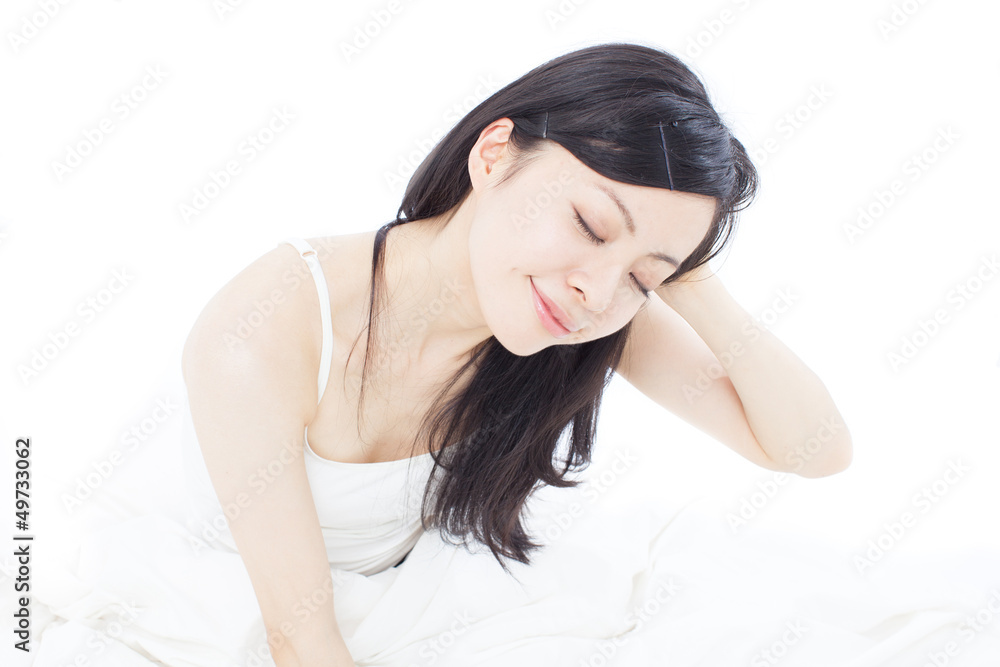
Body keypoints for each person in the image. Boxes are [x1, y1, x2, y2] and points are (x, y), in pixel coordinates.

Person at [179, 41, 851, 665]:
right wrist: (647, 257)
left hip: (416, 597)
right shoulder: (265, 327)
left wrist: (686, 271)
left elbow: (815, 449)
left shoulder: (586, 300)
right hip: (236, 609)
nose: (597, 291)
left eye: (643, 278)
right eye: (590, 225)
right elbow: (299, 637)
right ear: (494, 154)